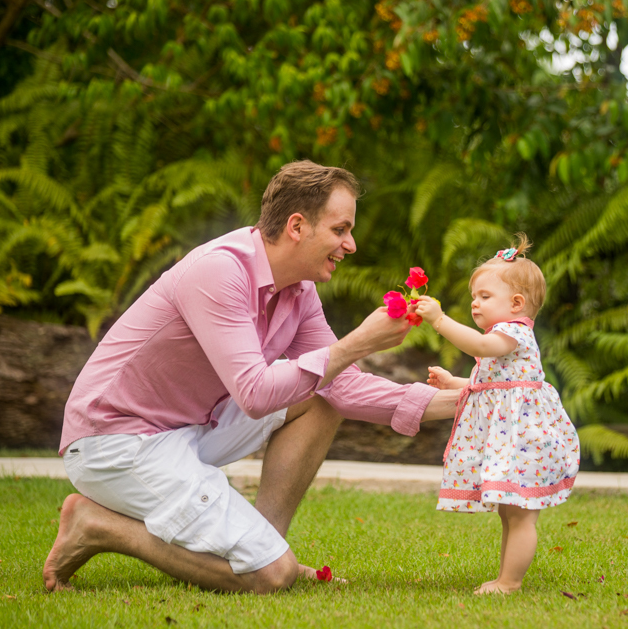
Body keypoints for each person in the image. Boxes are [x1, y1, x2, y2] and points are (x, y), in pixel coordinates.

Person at [43, 160, 458, 594]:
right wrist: (357, 343)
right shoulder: (219, 272)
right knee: (272, 577)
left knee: (321, 396)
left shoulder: (299, 291)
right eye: (340, 230)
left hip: (192, 428)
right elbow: (256, 394)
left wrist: (471, 396)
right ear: (297, 226)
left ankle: (265, 542)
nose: (350, 244)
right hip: (118, 441)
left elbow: (343, 385)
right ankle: (99, 526)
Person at [413, 234, 580, 595]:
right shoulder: (503, 340)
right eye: (475, 297)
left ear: (517, 304)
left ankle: (510, 582)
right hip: (515, 446)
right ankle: (506, 577)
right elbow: (491, 385)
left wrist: (440, 320)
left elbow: (480, 345)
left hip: (524, 444)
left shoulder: (511, 332)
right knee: (510, 514)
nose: (475, 304)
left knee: (519, 517)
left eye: (484, 297)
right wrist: (454, 381)